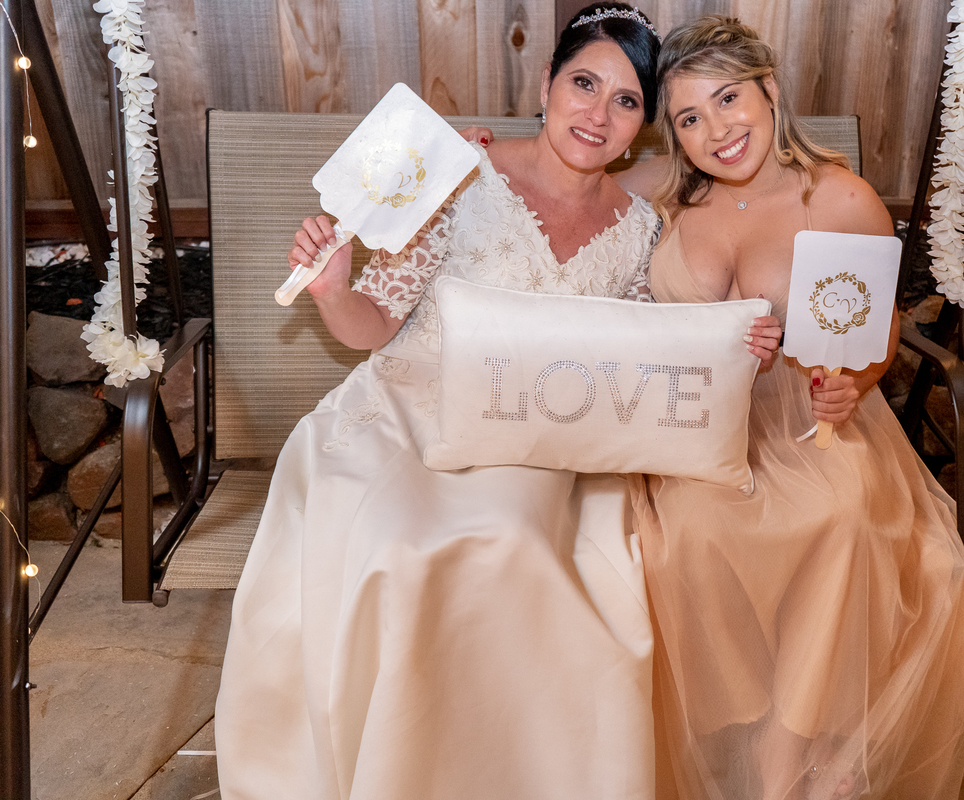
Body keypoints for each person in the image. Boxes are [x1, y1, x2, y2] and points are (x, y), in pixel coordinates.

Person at [215, 6, 777, 798]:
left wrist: (740, 341)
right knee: (404, 547)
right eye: (584, 83)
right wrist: (335, 290)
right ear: (546, 83)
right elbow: (372, 326)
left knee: (513, 539)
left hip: (540, 434)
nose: (597, 114)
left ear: (643, 125)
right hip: (409, 412)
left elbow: (649, 347)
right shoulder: (456, 175)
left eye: (625, 101)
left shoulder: (642, 230)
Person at [619, 16, 964, 800]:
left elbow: (879, 328)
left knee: (840, 515)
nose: (717, 130)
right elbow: (564, 182)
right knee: (688, 536)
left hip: (805, 417)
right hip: (695, 422)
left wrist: (856, 381)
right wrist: (484, 154)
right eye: (690, 118)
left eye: (728, 99)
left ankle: (783, 754)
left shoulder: (839, 198)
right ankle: (729, 730)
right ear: (673, 135)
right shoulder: (663, 193)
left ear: (770, 91)